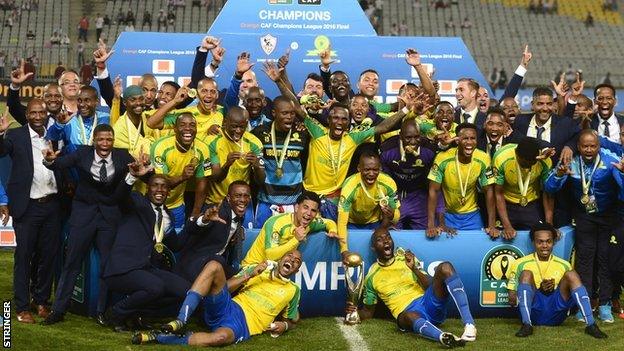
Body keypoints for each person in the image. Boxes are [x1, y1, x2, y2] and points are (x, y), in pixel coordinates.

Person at [41, 124, 136, 325]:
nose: (104, 143)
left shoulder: (123, 156)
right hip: (83, 214)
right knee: (72, 263)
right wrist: (49, 160)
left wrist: (145, 167)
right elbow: (59, 163)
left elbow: (141, 170)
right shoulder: (82, 153)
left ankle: (102, 311)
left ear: (113, 141)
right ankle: (58, 310)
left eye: (109, 139)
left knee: (107, 265)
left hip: (109, 217)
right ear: (94, 140)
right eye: (100, 139)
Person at [133, 251, 302, 346]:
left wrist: (285, 325)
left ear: (296, 270)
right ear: (281, 258)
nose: (292, 260)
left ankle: (159, 337)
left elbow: (293, 320)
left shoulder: (293, 290)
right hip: (227, 306)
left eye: (297, 261)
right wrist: (250, 274)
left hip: (242, 325)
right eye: (289, 256)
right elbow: (224, 287)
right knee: (214, 266)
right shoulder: (259, 269)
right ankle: (180, 320)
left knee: (220, 338)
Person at [346, 228, 476, 348]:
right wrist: (355, 312)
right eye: (380, 240)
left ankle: (469, 325)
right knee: (406, 316)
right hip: (408, 314)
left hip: (428, 303)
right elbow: (368, 312)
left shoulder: (406, 260)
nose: (386, 241)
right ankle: (442, 336)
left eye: (388, 237)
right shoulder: (372, 276)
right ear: (373, 248)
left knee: (445, 267)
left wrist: (414, 269)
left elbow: (429, 286)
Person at [544, 129, 624, 322]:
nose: (589, 149)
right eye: (585, 146)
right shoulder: (570, 161)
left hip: (608, 217)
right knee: (585, 261)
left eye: (593, 146)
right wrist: (559, 174)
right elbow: (549, 187)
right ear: (578, 146)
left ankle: (604, 304)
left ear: (599, 146)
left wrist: (622, 173)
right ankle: (584, 304)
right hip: (584, 217)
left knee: (605, 260)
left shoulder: (611, 159)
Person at [103, 172, 192, 332]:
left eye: (164, 186)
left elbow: (176, 245)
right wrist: (131, 176)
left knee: (185, 290)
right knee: (156, 287)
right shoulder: (137, 202)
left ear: (169, 192)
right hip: (123, 268)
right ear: (147, 188)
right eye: (155, 185)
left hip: (147, 269)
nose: (160, 189)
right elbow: (120, 196)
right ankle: (115, 314)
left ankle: (137, 315)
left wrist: (198, 223)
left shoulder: (168, 216)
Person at [0, 101, 63, 323]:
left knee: (48, 257)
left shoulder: (55, 134)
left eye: (41, 112)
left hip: (53, 205)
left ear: (46, 114)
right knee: (24, 257)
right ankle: (22, 307)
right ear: (26, 115)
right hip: (27, 206)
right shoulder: (15, 136)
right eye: (33, 112)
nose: (37, 116)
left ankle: (41, 301)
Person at [506, 222, 607, 338]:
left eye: (548, 241)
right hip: (534, 310)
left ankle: (591, 325)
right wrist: (537, 290)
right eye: (540, 242)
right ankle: (526, 325)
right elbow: (512, 299)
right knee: (526, 274)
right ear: (534, 242)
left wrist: (555, 288)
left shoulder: (564, 264)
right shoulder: (520, 263)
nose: (545, 245)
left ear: (553, 242)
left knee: (571, 274)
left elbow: (570, 295)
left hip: (556, 312)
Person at [427, 123, 498, 235]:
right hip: (448, 215)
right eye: (465, 138)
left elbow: (488, 191)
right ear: (457, 140)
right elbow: (433, 190)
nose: (469, 142)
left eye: (472, 138)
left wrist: (492, 225)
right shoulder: (442, 158)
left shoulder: (483, 158)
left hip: (472, 215)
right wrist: (431, 225)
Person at [176, 181, 252, 282]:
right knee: (219, 262)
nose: (242, 200)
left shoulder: (238, 214)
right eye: (238, 196)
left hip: (217, 264)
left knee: (243, 278)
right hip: (195, 263)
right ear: (228, 198)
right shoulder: (217, 211)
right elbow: (191, 228)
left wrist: (239, 231)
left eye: (246, 196)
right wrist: (204, 219)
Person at [251, 96, 309, 227]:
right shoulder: (259, 133)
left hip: (293, 202)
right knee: (262, 240)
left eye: (292, 113)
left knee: (290, 242)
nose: (289, 117)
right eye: (284, 113)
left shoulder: (302, 134)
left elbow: (305, 163)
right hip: (266, 201)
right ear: (273, 113)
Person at [242, 191, 337, 267]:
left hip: (273, 270)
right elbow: (270, 256)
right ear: (296, 207)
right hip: (253, 267)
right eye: (305, 207)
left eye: (313, 210)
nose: (309, 213)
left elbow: (329, 222)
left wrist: (332, 230)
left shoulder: (311, 223)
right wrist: (296, 239)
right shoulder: (277, 223)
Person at [150, 113, 211, 229]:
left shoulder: (203, 149)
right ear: (175, 129)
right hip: (154, 204)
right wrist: (182, 177)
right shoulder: (160, 147)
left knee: (177, 241)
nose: (188, 128)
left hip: (177, 204)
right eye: (182, 125)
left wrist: (195, 213)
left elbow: (202, 182)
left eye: (192, 125)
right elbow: (161, 184)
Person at [381, 118, 442, 230]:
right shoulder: (387, 150)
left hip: (419, 195)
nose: (413, 142)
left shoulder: (429, 150)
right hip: (396, 195)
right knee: (393, 232)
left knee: (425, 234)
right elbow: (384, 181)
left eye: (417, 137)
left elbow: (434, 184)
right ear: (400, 136)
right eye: (408, 138)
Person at [338, 151, 399, 257]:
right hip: (351, 223)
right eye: (367, 170)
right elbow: (342, 223)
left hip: (374, 223)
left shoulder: (388, 183)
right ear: (359, 168)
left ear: (380, 168)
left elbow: (396, 217)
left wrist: (391, 215)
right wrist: (344, 250)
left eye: (375, 170)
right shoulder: (350, 186)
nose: (371, 174)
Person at [493, 137, 554, 239]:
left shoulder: (545, 162)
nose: (528, 165)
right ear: (516, 154)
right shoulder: (501, 157)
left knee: (539, 237)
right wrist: (507, 225)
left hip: (531, 205)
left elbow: (548, 193)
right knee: (502, 239)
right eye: (524, 162)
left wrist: (549, 225)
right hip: (507, 204)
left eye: (532, 162)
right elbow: (498, 193)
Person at [46, 86, 110, 156]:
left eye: (87, 100)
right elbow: (51, 136)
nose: (82, 104)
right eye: (79, 100)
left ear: (97, 102)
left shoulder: (106, 118)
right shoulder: (69, 120)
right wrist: (59, 124)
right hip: (75, 165)